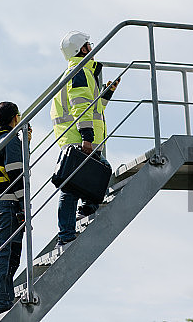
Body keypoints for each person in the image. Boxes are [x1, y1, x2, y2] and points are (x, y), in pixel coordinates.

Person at [51, 31, 119, 246]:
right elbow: (81, 108)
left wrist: (106, 94)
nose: (92, 47)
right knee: (72, 187)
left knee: (81, 181)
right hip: (80, 139)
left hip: (77, 137)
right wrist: (87, 138)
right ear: (82, 49)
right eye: (89, 44)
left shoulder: (80, 73)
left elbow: (92, 108)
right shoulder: (79, 72)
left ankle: (86, 208)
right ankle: (66, 234)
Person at [0, 101, 31, 320]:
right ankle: (2, 302)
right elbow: (16, 173)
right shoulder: (9, 140)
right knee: (6, 254)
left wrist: (24, 144)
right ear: (15, 117)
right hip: (8, 202)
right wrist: (23, 205)